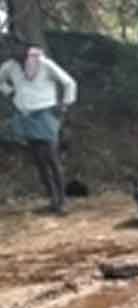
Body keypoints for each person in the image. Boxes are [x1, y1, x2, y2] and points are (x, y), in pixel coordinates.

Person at [0, 39, 76, 215]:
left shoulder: (44, 64)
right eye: (9, 48)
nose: (12, 51)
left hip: (45, 114)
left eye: (15, 47)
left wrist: (65, 104)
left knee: (51, 157)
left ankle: (63, 200)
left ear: (26, 49)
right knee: (38, 160)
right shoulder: (9, 67)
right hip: (25, 115)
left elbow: (69, 82)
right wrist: (10, 92)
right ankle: (52, 199)